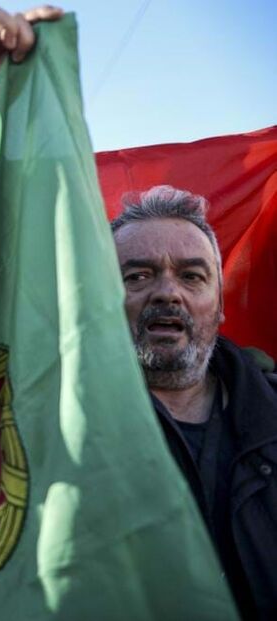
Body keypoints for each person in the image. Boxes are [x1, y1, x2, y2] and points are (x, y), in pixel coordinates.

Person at [111, 187, 277, 619]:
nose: (168, 293)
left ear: (219, 304)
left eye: (191, 276)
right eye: (138, 276)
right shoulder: (49, 422)